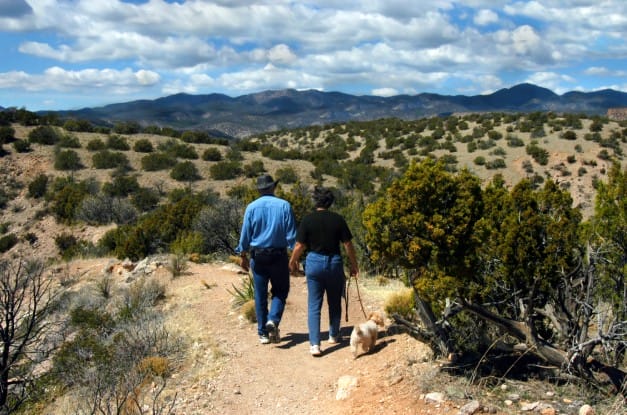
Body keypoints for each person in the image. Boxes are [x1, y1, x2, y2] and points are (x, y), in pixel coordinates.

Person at [289, 186, 359, 356]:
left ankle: (314, 344)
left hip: (314, 262)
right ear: (330, 202)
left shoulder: (308, 220)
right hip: (334, 262)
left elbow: (300, 245)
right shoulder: (338, 219)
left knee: (314, 304)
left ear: (315, 201)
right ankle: (334, 335)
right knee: (335, 301)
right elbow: (348, 244)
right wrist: (353, 264)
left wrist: (292, 261)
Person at [236, 174, 297, 345]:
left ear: (260, 189)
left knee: (260, 294)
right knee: (280, 290)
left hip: (258, 256)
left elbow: (245, 235)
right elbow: (292, 235)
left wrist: (242, 255)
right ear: (273, 187)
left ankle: (263, 333)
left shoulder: (251, 207)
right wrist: (295, 257)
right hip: (278, 256)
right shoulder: (284, 206)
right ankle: (273, 320)